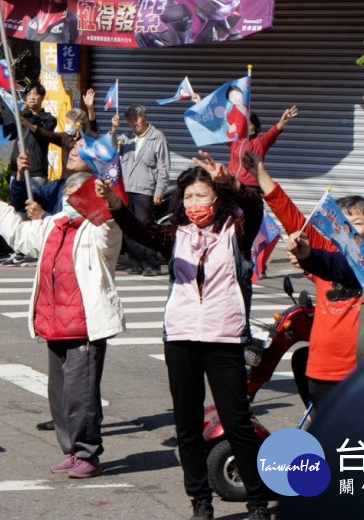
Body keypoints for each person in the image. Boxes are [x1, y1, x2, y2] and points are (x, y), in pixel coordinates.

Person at [106, 152, 270, 520]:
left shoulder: (235, 232)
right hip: (180, 337)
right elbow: (138, 230)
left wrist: (231, 182)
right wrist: (116, 203)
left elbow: (255, 208)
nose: (196, 203)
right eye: (190, 197)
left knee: (237, 421)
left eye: (203, 195)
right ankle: (200, 501)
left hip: (224, 337)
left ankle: (258, 502)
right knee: (187, 424)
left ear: (217, 198)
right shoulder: (175, 235)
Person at [0, 171, 124, 480]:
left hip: (83, 327)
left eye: (78, 196)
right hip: (54, 322)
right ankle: (71, 451)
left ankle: (88, 454)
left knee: (81, 394)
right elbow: (19, 234)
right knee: (59, 395)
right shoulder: (53, 225)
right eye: (67, 196)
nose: (71, 202)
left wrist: (108, 204)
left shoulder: (96, 229)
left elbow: (110, 233)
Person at [243, 152, 364, 408]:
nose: (350, 231)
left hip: (363, 371)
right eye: (343, 225)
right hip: (321, 368)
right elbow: (292, 219)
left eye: (358, 223)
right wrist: (260, 174)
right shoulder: (327, 253)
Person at [112, 104, 171, 277]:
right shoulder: (127, 138)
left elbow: (163, 167)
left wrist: (160, 190)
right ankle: (136, 261)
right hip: (126, 188)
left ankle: (151, 263)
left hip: (145, 189)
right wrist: (114, 129)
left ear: (144, 117)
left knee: (144, 227)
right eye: (130, 120)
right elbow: (111, 146)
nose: (133, 122)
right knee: (128, 227)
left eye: (136, 118)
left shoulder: (157, 137)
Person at [0, 84, 57, 188]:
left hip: (35, 174)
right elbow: (2, 134)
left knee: (35, 203)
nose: (31, 97)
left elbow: (40, 131)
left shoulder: (48, 119)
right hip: (16, 172)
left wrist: (26, 116)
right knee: (17, 203)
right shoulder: (21, 118)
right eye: (28, 94)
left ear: (43, 97)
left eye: (35, 94)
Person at [228, 106, 297, 188]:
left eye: (249, 125)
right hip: (232, 184)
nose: (246, 128)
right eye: (243, 125)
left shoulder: (260, 142)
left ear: (255, 126)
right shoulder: (235, 141)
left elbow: (273, 133)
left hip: (250, 186)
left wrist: (283, 122)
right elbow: (220, 132)